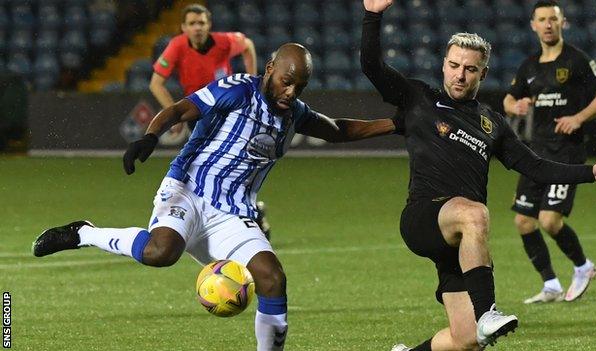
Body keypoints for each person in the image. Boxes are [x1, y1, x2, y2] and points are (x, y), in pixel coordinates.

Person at [32, 43, 400, 351]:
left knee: (272, 279)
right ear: (270, 69)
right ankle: (83, 233)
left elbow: (337, 130)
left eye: (299, 87)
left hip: (232, 214)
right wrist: (150, 136)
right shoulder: (238, 90)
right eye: (287, 82)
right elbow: (180, 108)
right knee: (161, 253)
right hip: (188, 189)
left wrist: (396, 124)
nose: (291, 93)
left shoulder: (294, 114)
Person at [360, 1, 596, 350]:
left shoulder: (491, 123)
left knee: (466, 341)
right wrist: (373, 15)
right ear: (443, 65)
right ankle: (488, 313)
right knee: (475, 213)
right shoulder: (417, 97)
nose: (460, 75)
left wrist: (592, 172)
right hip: (423, 217)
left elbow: (536, 167)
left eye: (470, 69)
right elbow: (372, 66)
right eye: (453, 65)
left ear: (483, 74)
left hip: (457, 243)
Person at [502, 0, 596, 304]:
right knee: (524, 222)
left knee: (550, 220)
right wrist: (517, 106)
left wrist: (578, 118)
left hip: (567, 153)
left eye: (553, 18)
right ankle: (551, 285)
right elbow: (509, 101)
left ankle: (583, 267)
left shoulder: (577, 60)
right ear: (533, 25)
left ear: (562, 22)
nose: (548, 24)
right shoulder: (529, 65)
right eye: (542, 19)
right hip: (537, 153)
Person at [148, 4, 275, 238]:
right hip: (196, 112)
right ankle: (248, 213)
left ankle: (243, 215)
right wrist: (172, 113)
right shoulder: (176, 46)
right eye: (192, 24)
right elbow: (156, 83)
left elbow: (247, 45)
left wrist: (252, 78)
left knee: (225, 169)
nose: (197, 28)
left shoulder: (224, 42)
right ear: (183, 27)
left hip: (227, 114)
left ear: (209, 25)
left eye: (202, 23)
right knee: (202, 169)